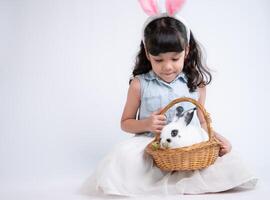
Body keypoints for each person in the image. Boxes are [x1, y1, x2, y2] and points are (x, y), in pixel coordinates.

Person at [78, 0, 258, 197]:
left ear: (186, 51)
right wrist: (146, 124)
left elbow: (202, 123)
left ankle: (187, 176)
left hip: (189, 148)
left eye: (174, 58)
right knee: (124, 160)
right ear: (147, 53)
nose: (167, 66)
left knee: (229, 160)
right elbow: (125, 123)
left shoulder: (195, 84)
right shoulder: (140, 84)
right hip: (152, 145)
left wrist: (218, 140)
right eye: (159, 60)